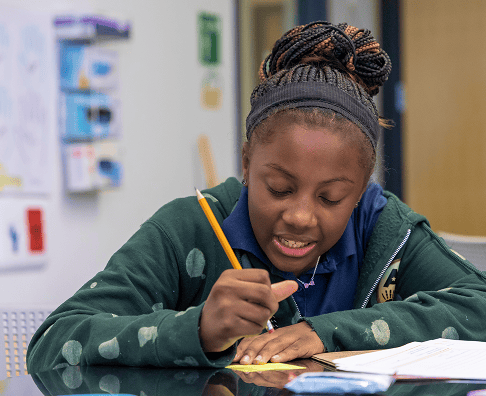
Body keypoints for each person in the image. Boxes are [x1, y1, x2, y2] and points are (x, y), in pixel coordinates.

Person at [27, 21, 486, 372]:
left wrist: (325, 333)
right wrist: (198, 329)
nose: (301, 216)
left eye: (331, 199)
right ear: (247, 164)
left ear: (362, 190)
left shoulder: (384, 228)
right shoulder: (193, 226)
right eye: (279, 189)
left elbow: (478, 307)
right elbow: (54, 343)